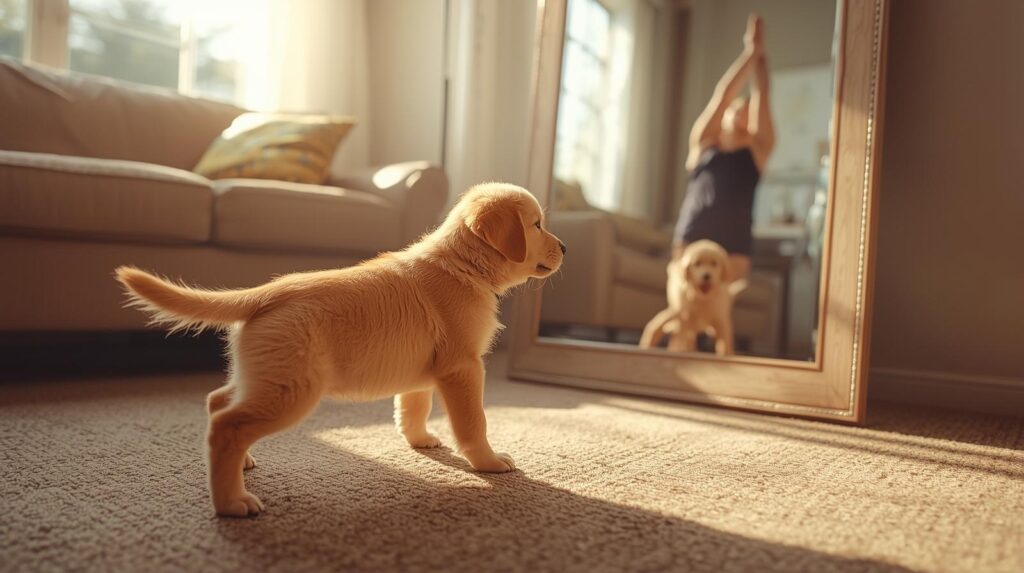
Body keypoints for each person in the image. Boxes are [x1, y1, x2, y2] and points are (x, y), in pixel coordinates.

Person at [674, 14, 774, 282]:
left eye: (748, 110)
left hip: (735, 244)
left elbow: (763, 97)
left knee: (722, 313)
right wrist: (749, 53)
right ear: (726, 115)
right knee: (685, 306)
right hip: (693, 233)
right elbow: (724, 93)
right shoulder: (704, 142)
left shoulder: (757, 150)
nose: (743, 113)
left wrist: (761, 56)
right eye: (737, 109)